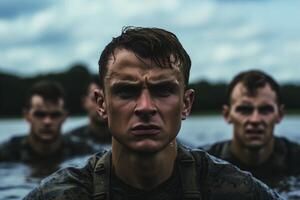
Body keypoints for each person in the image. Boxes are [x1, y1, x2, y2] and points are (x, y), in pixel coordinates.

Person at [24, 27, 282, 199]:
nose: (145, 107)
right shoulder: (63, 193)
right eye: (126, 92)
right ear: (101, 103)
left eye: (163, 91)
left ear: (186, 104)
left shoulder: (233, 190)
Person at [204, 70, 300, 187]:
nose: (255, 120)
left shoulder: (295, 159)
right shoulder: (204, 164)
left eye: (265, 110)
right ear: (227, 115)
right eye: (244, 109)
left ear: (279, 114)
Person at [0, 81, 94, 176]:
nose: (47, 121)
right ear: (26, 115)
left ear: (65, 116)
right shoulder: (7, 153)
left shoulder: (83, 152)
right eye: (40, 114)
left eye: (55, 115)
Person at [65, 78, 111, 151]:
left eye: (106, 99)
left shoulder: (125, 139)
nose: (102, 105)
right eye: (95, 99)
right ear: (84, 102)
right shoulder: (71, 140)